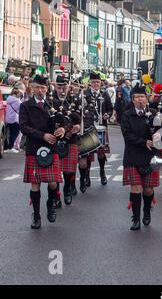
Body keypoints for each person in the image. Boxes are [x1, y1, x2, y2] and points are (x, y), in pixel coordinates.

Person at [19, 75, 66, 229]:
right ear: (32, 88)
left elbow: (66, 121)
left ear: (47, 89)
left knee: (53, 183)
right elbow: (24, 127)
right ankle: (37, 215)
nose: (40, 90)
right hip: (34, 149)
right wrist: (43, 135)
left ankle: (51, 204)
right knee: (35, 184)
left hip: (51, 148)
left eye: (43, 88)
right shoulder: (25, 106)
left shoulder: (54, 104)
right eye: (37, 87)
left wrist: (63, 129)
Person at [121, 84, 160, 230]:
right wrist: (144, 142)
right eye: (136, 97)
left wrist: (158, 135)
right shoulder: (127, 115)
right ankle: (135, 218)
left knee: (148, 189)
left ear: (146, 98)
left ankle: (147, 211)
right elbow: (127, 135)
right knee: (136, 188)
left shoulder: (154, 113)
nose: (140, 100)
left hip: (150, 157)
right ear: (132, 99)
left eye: (142, 97)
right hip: (133, 156)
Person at [78, 72, 114, 193]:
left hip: (101, 126)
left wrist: (107, 115)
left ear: (100, 83)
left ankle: (102, 172)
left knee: (101, 153)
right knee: (87, 154)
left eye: (98, 82)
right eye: (94, 82)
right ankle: (86, 177)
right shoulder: (84, 94)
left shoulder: (105, 94)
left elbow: (110, 109)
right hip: (88, 128)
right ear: (90, 83)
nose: (96, 84)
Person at [53, 75, 81, 205]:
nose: (62, 90)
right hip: (55, 139)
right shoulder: (50, 100)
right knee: (55, 171)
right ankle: (57, 195)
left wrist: (79, 125)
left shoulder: (74, 100)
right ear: (55, 86)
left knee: (69, 170)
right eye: (59, 87)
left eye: (64, 87)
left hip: (71, 138)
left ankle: (67, 189)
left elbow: (81, 117)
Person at [5, 83, 24, 153]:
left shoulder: (9, 99)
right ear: (16, 94)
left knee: (11, 133)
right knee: (15, 133)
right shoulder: (17, 101)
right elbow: (21, 109)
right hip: (15, 119)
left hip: (9, 118)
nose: (20, 95)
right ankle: (11, 147)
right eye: (19, 93)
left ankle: (9, 147)